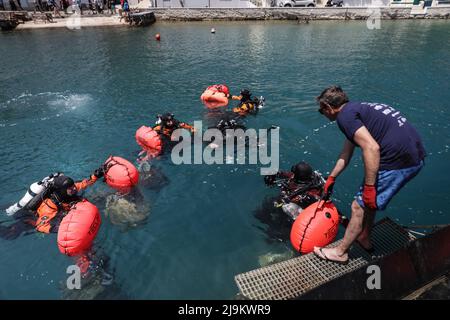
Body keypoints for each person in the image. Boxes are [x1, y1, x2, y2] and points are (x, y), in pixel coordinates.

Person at [313, 85, 426, 263]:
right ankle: (364, 236)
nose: (323, 114)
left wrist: (370, 187)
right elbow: (346, 153)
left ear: (328, 107)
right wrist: (332, 178)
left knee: (358, 206)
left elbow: (372, 147)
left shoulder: (345, 118)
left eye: (322, 111)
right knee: (367, 202)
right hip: (415, 156)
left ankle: (340, 252)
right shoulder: (357, 109)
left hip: (399, 161)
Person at [34, 167, 105, 233]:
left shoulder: (70, 190)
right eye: (70, 188)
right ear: (62, 190)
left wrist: (95, 176)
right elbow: (39, 226)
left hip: (71, 207)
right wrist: (60, 228)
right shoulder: (49, 206)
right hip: (59, 216)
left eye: (73, 185)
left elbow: (84, 183)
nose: (74, 188)